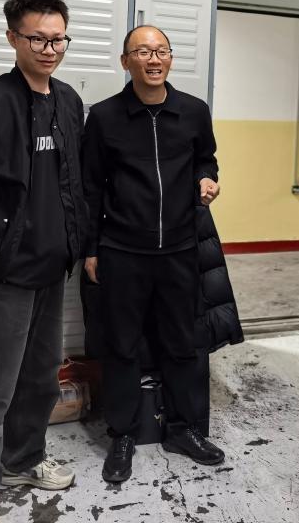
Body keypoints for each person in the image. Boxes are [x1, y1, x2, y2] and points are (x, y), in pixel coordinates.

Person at [0, 0, 87, 523]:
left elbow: (74, 181)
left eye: (58, 39)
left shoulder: (69, 102)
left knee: (39, 377)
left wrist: (77, 242)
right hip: (5, 272)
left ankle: (23, 460)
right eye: (38, 39)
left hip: (53, 267)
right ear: (13, 38)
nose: (49, 49)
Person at [82, 25, 225, 485]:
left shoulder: (193, 111)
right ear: (126, 61)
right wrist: (90, 249)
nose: (153, 59)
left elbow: (207, 159)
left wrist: (207, 179)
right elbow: (90, 188)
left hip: (180, 249)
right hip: (122, 250)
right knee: (121, 345)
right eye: (143, 52)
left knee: (183, 343)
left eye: (161, 50)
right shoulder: (104, 117)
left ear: (170, 58)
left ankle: (183, 429)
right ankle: (123, 434)